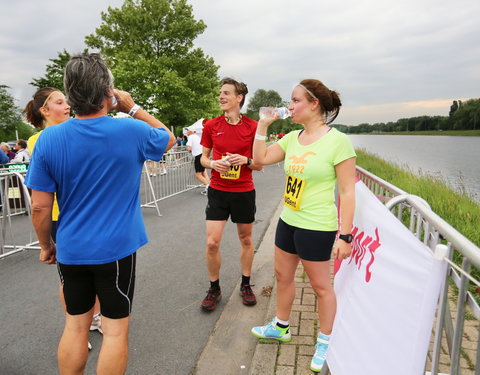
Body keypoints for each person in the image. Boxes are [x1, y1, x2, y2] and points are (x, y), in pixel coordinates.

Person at [25, 52, 175, 375]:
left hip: (71, 247)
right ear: (108, 91)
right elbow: (168, 138)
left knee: (75, 326)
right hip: (117, 250)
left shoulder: (48, 140)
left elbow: (39, 205)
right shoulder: (130, 131)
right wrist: (131, 107)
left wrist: (46, 245)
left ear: (72, 92)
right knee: (116, 331)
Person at [250, 79, 356, 373]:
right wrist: (262, 126)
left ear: (314, 104)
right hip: (288, 221)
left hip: (317, 226)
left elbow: (347, 191)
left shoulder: (338, 141)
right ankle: (281, 326)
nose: (289, 106)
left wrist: (344, 236)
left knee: (322, 287)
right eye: (290, 100)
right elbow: (259, 160)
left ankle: (325, 340)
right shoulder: (292, 138)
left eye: (295, 101)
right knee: (283, 277)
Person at [24, 87, 102, 348]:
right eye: (59, 102)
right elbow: (41, 200)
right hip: (62, 215)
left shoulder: (75, 131)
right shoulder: (40, 140)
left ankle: (96, 318)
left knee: (98, 269)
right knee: (70, 275)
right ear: (45, 111)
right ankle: (76, 325)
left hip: (89, 211)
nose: (67, 105)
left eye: (67, 101)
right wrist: (45, 244)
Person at [199, 77, 262, 311]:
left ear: (239, 97)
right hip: (218, 191)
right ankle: (214, 288)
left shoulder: (253, 127)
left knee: (245, 239)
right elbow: (203, 159)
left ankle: (246, 284)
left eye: (226, 93)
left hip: (244, 191)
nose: (221, 97)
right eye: (220, 93)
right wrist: (213, 164)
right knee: (212, 242)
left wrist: (245, 160)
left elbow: (260, 163)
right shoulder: (211, 126)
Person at [186, 128, 209, 195]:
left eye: (187, 130)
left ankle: (209, 187)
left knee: (198, 175)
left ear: (191, 131)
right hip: (203, 155)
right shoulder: (197, 136)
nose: (186, 132)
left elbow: (189, 147)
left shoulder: (191, 137)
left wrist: (189, 150)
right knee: (204, 173)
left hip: (198, 156)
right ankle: (208, 187)